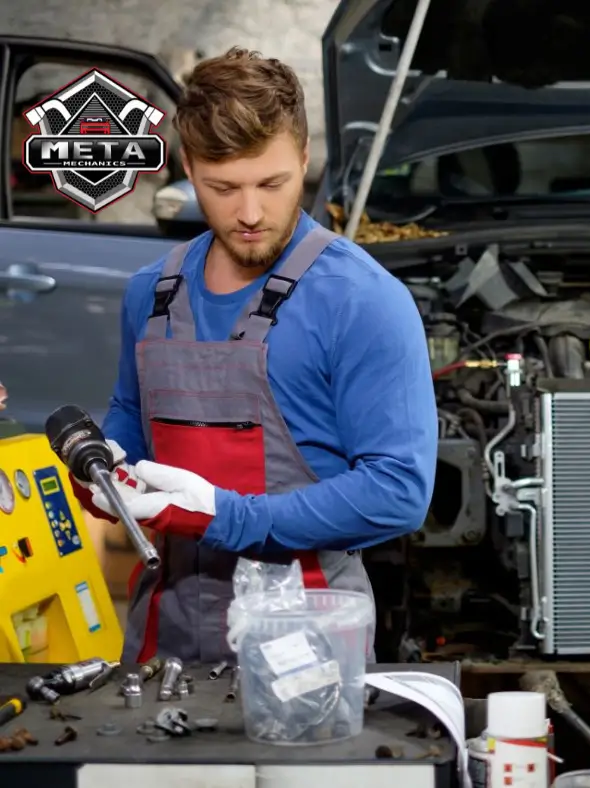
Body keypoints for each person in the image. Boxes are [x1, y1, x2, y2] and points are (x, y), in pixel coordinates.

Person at [71, 47, 438, 664]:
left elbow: (398, 490)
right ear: (188, 167)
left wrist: (223, 515)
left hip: (309, 648)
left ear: (303, 158)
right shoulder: (151, 294)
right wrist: (105, 467)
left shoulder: (361, 299)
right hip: (165, 639)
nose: (248, 213)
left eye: (272, 184)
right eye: (222, 188)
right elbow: (132, 417)